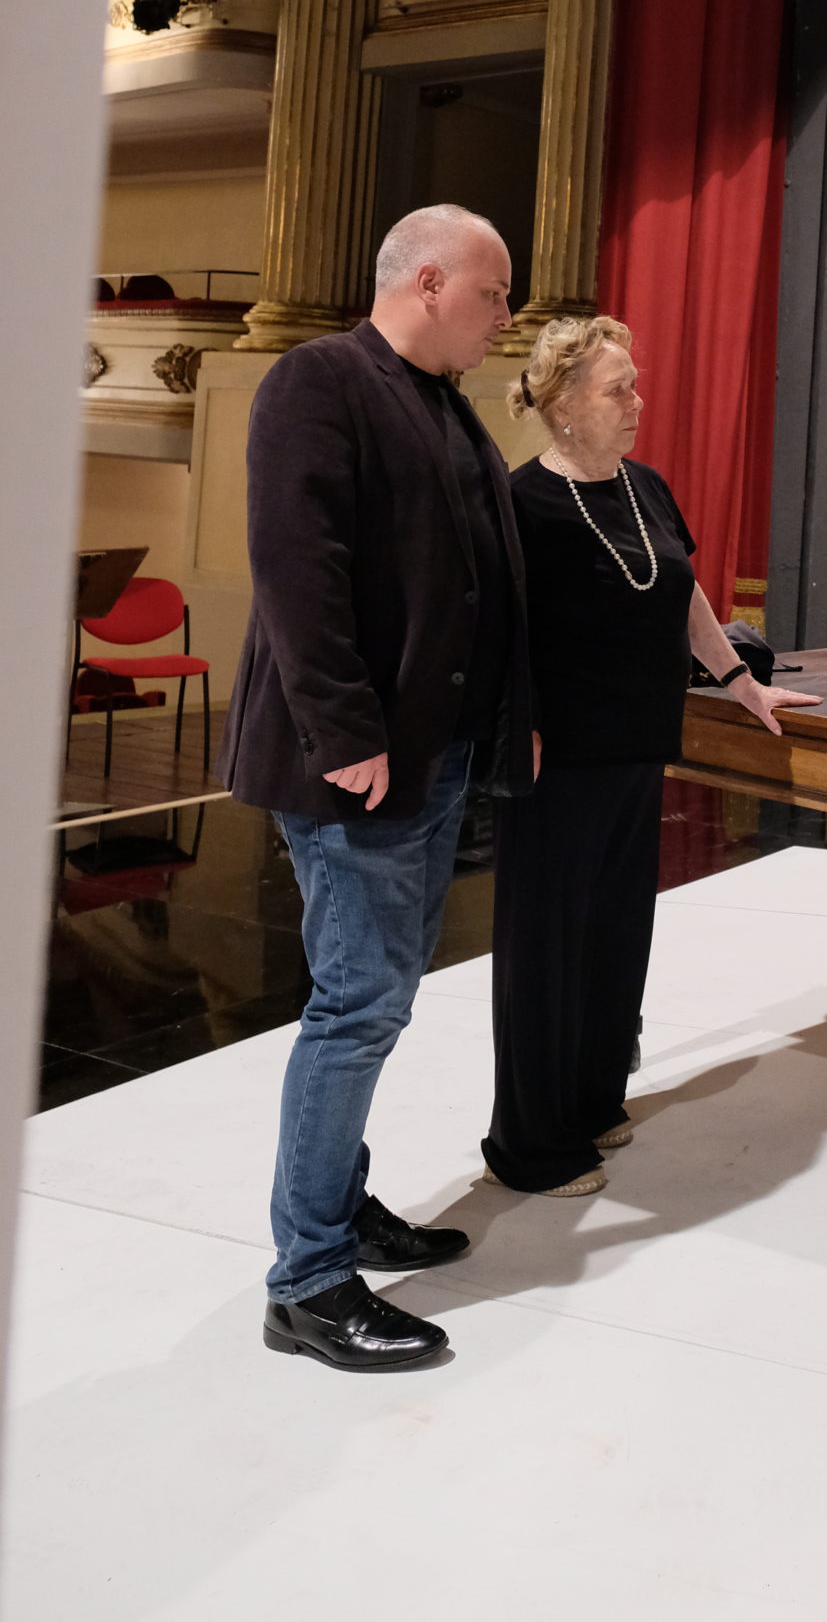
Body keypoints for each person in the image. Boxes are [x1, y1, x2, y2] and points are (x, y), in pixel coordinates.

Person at [221, 204, 532, 1372]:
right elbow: (297, 568)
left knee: (381, 994)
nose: (506, 317)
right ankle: (307, 1280)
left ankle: (340, 1207)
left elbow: (477, 582)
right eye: (495, 294)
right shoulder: (319, 379)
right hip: (357, 762)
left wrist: (508, 718)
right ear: (432, 281)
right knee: (357, 1005)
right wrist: (345, 731)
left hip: (433, 755)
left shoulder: (441, 400)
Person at [482, 315, 820, 1198]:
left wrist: (740, 681)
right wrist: (514, 725)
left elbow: (683, 592)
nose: (638, 401)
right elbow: (495, 634)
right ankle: (528, 1144)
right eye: (618, 389)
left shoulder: (645, 487)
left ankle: (592, 1100)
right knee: (546, 948)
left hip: (636, 747)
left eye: (634, 384)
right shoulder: (521, 503)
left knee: (614, 933)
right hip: (556, 762)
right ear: (562, 404)